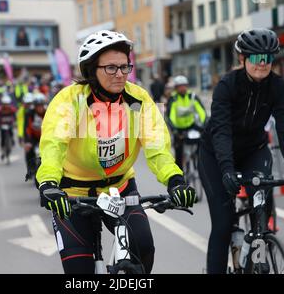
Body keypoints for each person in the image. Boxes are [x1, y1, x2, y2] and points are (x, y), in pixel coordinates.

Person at [35, 30, 197, 274]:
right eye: (111, 68)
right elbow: (53, 145)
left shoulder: (136, 101)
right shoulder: (71, 101)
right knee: (79, 271)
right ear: (91, 70)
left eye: (124, 67)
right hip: (72, 194)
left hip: (119, 189)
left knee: (143, 247)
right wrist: (48, 182)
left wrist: (175, 180)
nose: (120, 74)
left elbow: (157, 148)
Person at [198, 28, 284, 274]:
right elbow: (221, 132)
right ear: (243, 59)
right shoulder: (227, 86)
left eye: (268, 58)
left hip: (254, 150)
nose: (262, 64)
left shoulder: (279, 87)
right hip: (216, 155)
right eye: (255, 58)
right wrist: (227, 170)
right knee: (222, 225)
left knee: (261, 218)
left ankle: (258, 260)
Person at [166, 75, 207, 170]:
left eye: (184, 86)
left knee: (204, 142)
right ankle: (180, 177)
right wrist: (174, 130)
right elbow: (170, 117)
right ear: (176, 88)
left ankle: (201, 164)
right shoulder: (173, 99)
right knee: (179, 154)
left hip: (192, 125)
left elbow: (202, 112)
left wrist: (204, 124)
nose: (182, 88)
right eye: (180, 86)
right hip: (178, 129)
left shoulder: (192, 96)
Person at [23, 93, 46, 182]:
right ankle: (31, 170)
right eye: (37, 106)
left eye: (41, 106)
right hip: (33, 137)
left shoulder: (48, 112)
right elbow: (27, 128)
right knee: (29, 152)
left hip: (45, 137)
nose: (39, 108)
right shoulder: (29, 114)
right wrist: (27, 141)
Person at [0, 95, 17, 160]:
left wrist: (15, 123)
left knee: (11, 133)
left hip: (9, 124)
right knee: (2, 137)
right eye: (5, 104)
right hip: (2, 125)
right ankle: (2, 150)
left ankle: (12, 140)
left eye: (7, 104)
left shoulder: (12, 109)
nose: (6, 105)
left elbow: (15, 117)